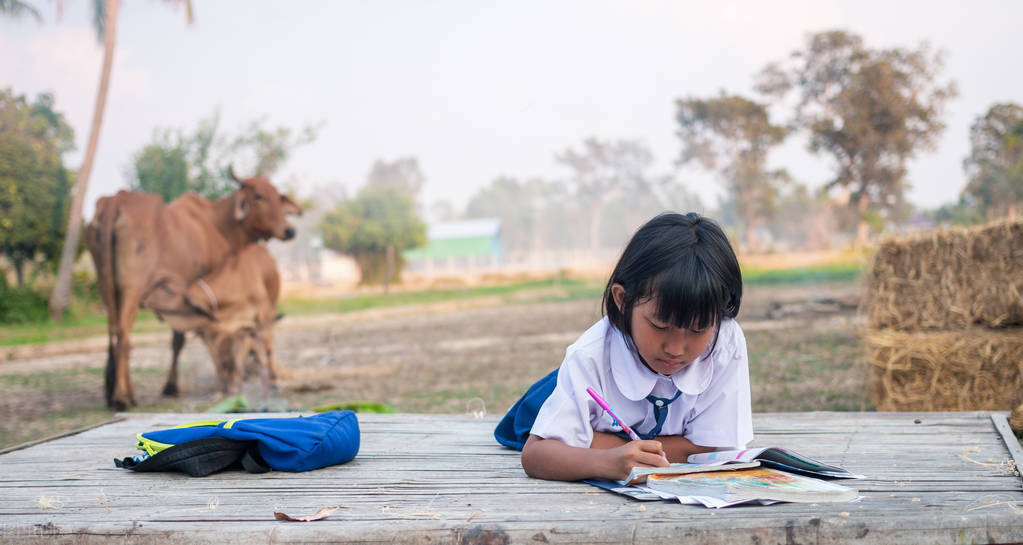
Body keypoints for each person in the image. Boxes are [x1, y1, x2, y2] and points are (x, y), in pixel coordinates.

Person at [494, 212, 752, 482]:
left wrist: (595, 443)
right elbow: (536, 453)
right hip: (559, 393)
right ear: (622, 299)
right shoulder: (590, 356)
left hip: (609, 420)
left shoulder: (726, 341)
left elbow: (716, 448)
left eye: (698, 329)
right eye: (660, 326)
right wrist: (606, 462)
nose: (675, 349)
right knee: (526, 421)